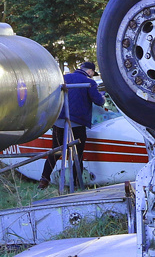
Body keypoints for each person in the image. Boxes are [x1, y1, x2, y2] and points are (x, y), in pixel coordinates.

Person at [40, 60, 106, 189]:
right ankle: (76, 184)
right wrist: (102, 97)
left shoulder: (64, 78)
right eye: (92, 73)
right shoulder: (90, 82)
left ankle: (44, 180)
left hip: (59, 122)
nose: (92, 75)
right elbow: (99, 102)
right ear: (90, 71)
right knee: (77, 154)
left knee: (56, 151)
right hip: (78, 123)